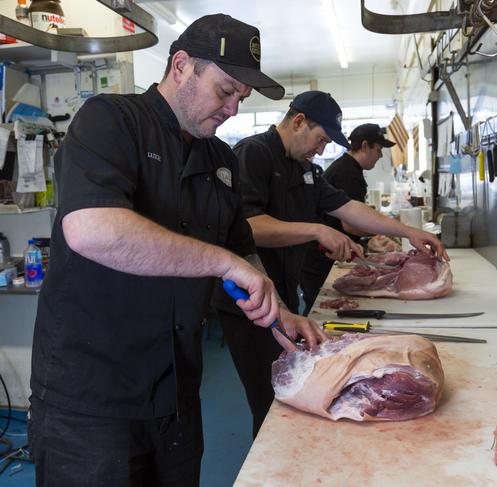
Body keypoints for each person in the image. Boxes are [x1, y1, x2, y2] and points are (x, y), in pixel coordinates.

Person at [29, 14, 325, 487]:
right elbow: (90, 230)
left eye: (241, 99)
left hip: (177, 393)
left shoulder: (221, 160)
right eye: (225, 91)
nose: (231, 109)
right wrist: (221, 261)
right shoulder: (110, 120)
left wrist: (278, 311)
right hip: (92, 403)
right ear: (181, 65)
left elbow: (240, 249)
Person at [217, 90, 449, 435]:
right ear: (298, 122)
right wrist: (315, 231)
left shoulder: (306, 169)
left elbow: (349, 208)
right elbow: (249, 226)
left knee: (297, 388)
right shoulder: (254, 154)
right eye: (321, 139)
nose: (322, 150)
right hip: (250, 301)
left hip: (285, 295)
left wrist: (408, 231)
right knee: (270, 403)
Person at [300, 123, 396, 314]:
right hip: (321, 257)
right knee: (320, 313)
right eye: (378, 150)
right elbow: (351, 225)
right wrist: (385, 229)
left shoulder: (347, 167)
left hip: (325, 254)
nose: (380, 156)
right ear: (365, 146)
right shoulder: (348, 173)